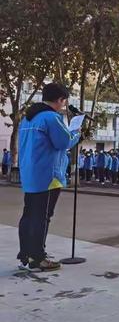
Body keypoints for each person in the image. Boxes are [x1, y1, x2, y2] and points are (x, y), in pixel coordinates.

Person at [17, 83, 81, 272]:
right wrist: (76, 132)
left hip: (30, 174)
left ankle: (26, 253)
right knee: (42, 217)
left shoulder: (28, 119)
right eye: (63, 101)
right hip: (48, 175)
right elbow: (64, 141)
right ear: (60, 100)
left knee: (29, 215)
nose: (63, 105)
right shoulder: (51, 117)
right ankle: (39, 257)